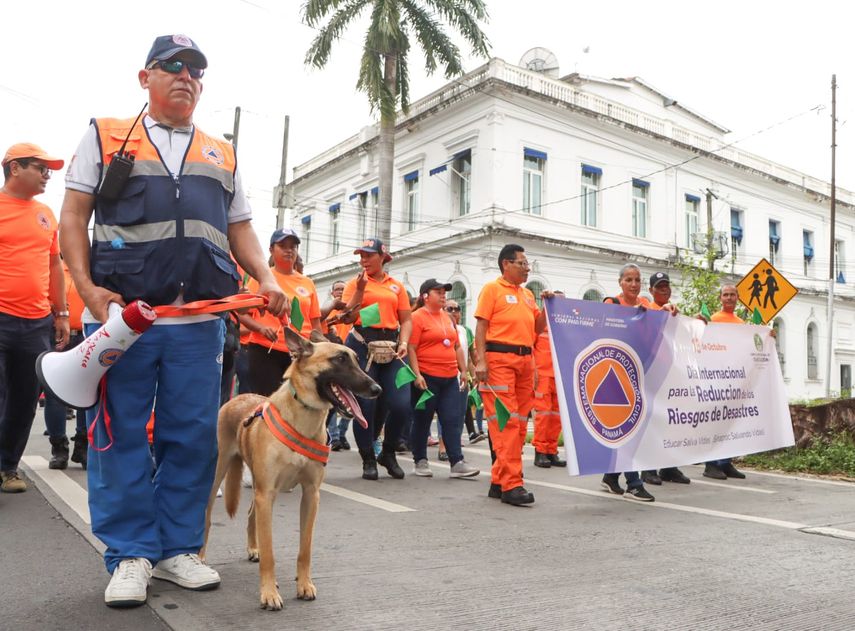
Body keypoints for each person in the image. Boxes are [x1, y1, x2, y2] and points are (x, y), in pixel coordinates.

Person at [60, 35, 286, 608]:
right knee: (120, 436)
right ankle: (131, 553)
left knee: (192, 438)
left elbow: (240, 229)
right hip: (125, 320)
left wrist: (266, 275)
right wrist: (87, 291)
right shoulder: (106, 135)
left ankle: (176, 549)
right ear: (146, 77)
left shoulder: (221, 152)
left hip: (199, 321)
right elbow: (72, 218)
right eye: (173, 66)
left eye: (196, 70)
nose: (186, 76)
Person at [0, 143, 68, 493]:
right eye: (40, 168)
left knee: (25, 400)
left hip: (36, 321)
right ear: (14, 168)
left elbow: (54, 264)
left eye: (49, 169)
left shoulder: (46, 214)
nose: (47, 175)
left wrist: (61, 313)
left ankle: (7, 467)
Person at [474, 244, 552, 506]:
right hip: (498, 362)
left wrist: (547, 307)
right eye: (522, 263)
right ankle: (512, 485)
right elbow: (481, 326)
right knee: (504, 423)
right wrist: (481, 361)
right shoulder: (492, 289)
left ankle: (499, 480)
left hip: (525, 362)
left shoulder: (528, 295)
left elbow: (537, 327)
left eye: (527, 264)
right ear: (506, 264)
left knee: (518, 425)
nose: (527, 268)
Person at [342, 238, 411, 480]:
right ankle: (368, 457)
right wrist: (360, 290)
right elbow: (347, 318)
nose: (363, 259)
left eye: (369, 255)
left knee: (402, 404)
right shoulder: (354, 283)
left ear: (383, 257)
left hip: (391, 348)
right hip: (362, 346)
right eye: (361, 255)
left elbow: (406, 320)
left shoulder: (397, 286)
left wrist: (403, 342)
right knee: (366, 405)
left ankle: (389, 452)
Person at [408, 279, 479, 479]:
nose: (443, 295)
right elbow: (411, 348)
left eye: (444, 292)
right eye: (438, 292)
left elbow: (456, 346)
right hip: (427, 378)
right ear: (425, 296)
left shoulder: (448, 318)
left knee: (452, 420)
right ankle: (420, 460)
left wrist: (463, 371)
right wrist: (417, 375)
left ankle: (457, 462)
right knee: (422, 420)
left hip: (450, 378)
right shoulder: (417, 317)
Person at [600, 263, 657, 501]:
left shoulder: (645, 306)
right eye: (629, 280)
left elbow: (663, 322)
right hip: (615, 374)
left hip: (638, 374)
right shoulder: (611, 304)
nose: (634, 284)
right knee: (628, 428)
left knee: (634, 427)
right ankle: (634, 484)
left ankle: (610, 477)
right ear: (620, 282)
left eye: (637, 280)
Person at [242, 228, 322, 396]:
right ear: (271, 250)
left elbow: (315, 323)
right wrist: (261, 329)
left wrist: (320, 348)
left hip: (300, 354)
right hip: (266, 351)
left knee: (300, 403)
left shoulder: (307, 283)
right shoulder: (262, 279)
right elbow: (243, 314)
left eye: (293, 246)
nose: (289, 250)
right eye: (283, 246)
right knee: (268, 403)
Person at [643, 272, 691, 485]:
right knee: (652, 422)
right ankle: (648, 468)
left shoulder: (675, 313)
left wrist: (698, 324)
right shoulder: (646, 310)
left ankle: (669, 467)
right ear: (651, 290)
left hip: (671, 374)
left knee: (670, 421)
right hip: (652, 373)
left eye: (666, 286)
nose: (664, 290)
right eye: (659, 287)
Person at [43, 260, 89, 469]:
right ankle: (58, 448)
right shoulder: (52, 269)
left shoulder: (88, 268)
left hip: (85, 335)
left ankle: (83, 445)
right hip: (57, 336)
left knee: (86, 394)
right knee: (54, 394)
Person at [704, 284, 750, 480]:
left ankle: (726, 462)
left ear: (738, 298)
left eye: (732, 295)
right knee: (716, 423)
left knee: (730, 422)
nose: (729, 298)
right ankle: (711, 465)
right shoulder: (712, 320)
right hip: (716, 380)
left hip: (734, 381)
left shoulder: (741, 323)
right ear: (720, 298)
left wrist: (767, 336)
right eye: (726, 295)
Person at [446, 299, 485, 445]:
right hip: (443, 375)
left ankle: (460, 439)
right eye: (450, 309)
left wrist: (474, 373)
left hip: (461, 377)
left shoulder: (465, 331)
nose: (454, 312)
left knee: (462, 410)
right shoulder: (441, 327)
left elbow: (471, 356)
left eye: (457, 309)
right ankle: (442, 447)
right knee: (447, 412)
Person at [531, 319, 566, 469]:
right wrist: (534, 370)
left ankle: (551, 451)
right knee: (543, 415)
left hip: (559, 375)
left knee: (557, 416)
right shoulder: (540, 323)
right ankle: (540, 451)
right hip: (543, 375)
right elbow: (530, 347)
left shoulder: (564, 325)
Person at [322, 280, 352, 451]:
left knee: (348, 397)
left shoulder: (353, 309)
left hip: (351, 359)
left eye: (344, 289)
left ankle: (341, 433)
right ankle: (333, 436)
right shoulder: (327, 309)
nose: (340, 292)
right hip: (334, 357)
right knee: (332, 397)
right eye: (338, 289)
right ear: (332, 293)